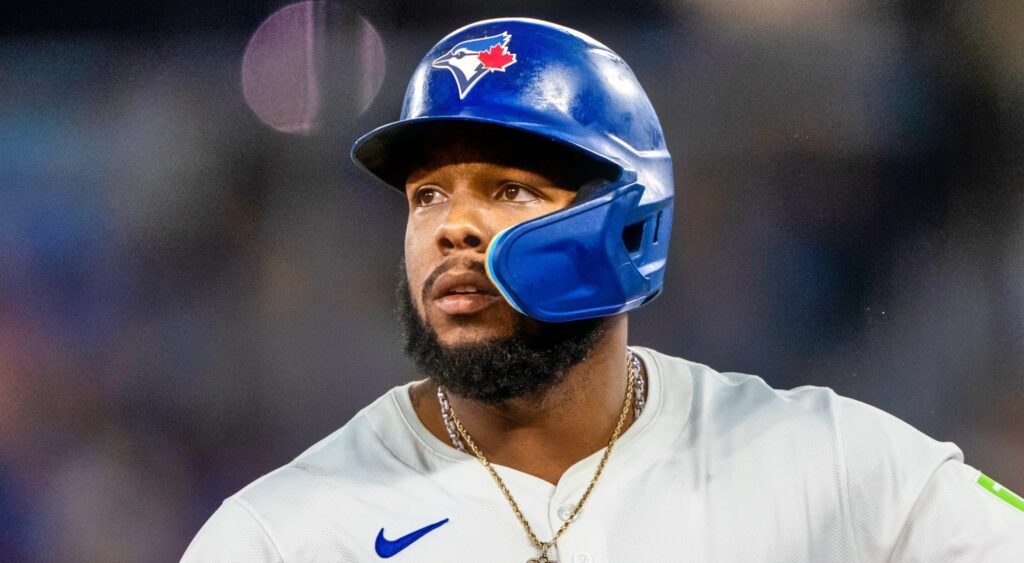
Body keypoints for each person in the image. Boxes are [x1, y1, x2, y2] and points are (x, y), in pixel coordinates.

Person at [182, 17, 1023, 562]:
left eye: (508, 189)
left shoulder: (830, 465)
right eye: (428, 194)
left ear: (631, 221)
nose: (451, 227)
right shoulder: (282, 535)